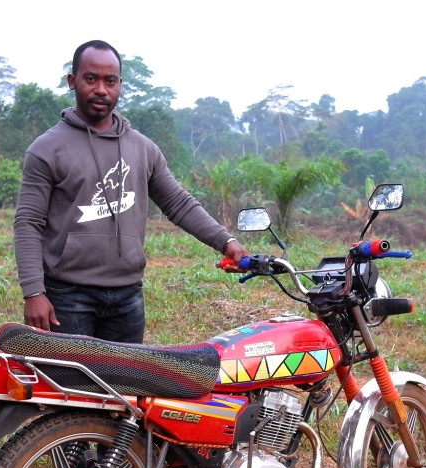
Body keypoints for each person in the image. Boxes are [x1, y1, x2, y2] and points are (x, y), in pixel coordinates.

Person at [13, 39, 249, 343]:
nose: (101, 89)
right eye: (91, 79)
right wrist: (33, 291)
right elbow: (28, 222)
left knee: (123, 375)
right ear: (72, 81)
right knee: (70, 377)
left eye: (110, 81)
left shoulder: (142, 148)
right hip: (68, 296)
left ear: (120, 85)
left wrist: (225, 241)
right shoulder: (47, 149)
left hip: (127, 297)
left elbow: (178, 203)